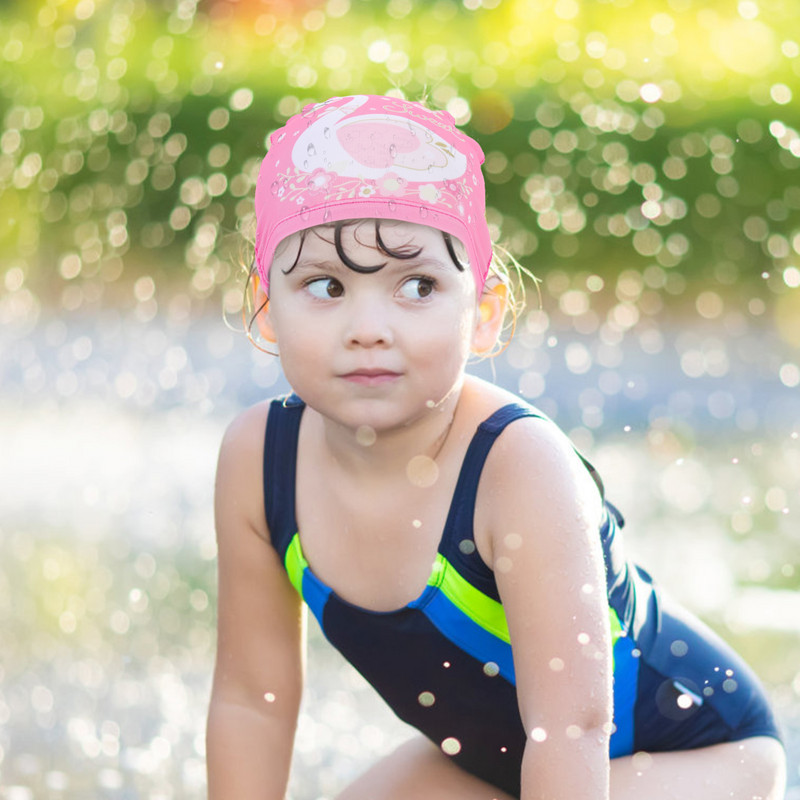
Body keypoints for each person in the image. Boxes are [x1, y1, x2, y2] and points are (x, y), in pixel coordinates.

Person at [205, 94, 786, 800]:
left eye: (416, 286)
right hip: (500, 767)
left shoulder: (517, 467)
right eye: (325, 287)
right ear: (266, 311)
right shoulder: (260, 458)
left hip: (698, 764)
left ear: (482, 316)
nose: (368, 327)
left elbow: (571, 729)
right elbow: (249, 699)